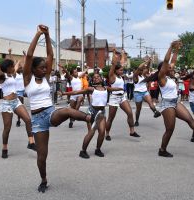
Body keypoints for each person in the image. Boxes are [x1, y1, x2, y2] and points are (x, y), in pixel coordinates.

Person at [23, 25, 93, 193]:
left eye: (46, 68)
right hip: (38, 120)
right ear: (33, 69)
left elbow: (50, 55)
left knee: (68, 110)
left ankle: (91, 117)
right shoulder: (28, 79)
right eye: (41, 68)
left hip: (50, 112)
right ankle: (44, 180)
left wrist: (47, 36)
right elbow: (30, 55)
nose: (45, 69)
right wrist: (38, 34)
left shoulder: (46, 78)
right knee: (42, 156)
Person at [143, 41, 194, 157]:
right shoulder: (161, 77)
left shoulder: (168, 76)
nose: (172, 67)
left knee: (190, 120)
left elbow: (172, 61)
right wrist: (170, 47)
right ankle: (162, 150)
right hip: (167, 105)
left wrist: (176, 49)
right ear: (163, 69)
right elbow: (167, 61)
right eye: (169, 68)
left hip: (175, 102)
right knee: (170, 129)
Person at [60, 73, 124, 159]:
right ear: (93, 80)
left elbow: (114, 88)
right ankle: (83, 151)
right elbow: (76, 92)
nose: (96, 78)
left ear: (101, 79)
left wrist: (120, 88)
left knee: (102, 132)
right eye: (94, 77)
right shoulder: (91, 89)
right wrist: (64, 93)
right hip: (92, 112)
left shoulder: (106, 88)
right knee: (91, 132)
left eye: (98, 77)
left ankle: (98, 149)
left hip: (101, 112)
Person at [0, 48, 36, 159]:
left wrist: (22, 57)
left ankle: (31, 142)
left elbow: (17, 64)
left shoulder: (12, 74)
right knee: (7, 128)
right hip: (6, 104)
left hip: (16, 102)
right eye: (11, 66)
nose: (14, 67)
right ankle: (4, 148)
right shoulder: (2, 77)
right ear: (7, 68)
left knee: (28, 119)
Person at [105, 50, 140, 141]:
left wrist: (123, 54)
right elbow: (113, 65)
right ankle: (107, 134)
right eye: (120, 70)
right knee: (111, 118)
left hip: (122, 97)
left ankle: (132, 131)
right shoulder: (112, 76)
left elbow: (123, 63)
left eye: (122, 70)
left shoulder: (120, 76)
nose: (122, 71)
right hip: (114, 98)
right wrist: (114, 55)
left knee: (130, 113)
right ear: (116, 71)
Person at [133, 59, 161, 126]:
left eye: (142, 70)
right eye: (141, 70)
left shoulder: (143, 75)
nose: (142, 71)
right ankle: (136, 121)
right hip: (137, 93)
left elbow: (147, 68)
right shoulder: (135, 76)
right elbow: (139, 68)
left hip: (145, 92)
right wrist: (145, 62)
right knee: (138, 109)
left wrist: (149, 62)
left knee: (150, 102)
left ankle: (155, 112)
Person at [15, 54, 26, 127]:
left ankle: (19, 119)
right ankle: (19, 119)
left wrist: (25, 57)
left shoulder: (22, 74)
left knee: (21, 106)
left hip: (22, 92)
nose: (20, 68)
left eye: (21, 67)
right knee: (18, 107)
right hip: (16, 92)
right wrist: (9, 53)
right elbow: (15, 65)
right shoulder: (15, 74)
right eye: (19, 67)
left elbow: (25, 65)